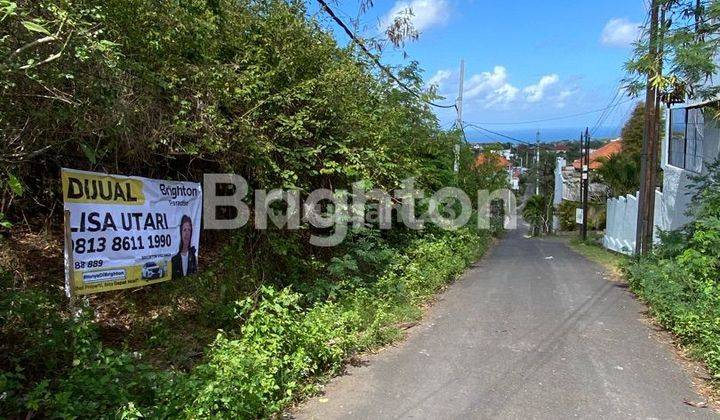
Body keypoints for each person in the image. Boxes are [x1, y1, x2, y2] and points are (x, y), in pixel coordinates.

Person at [171, 215, 197, 279]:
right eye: (184, 230)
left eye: (189, 230)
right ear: (180, 232)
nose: (187, 233)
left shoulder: (192, 255)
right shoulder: (174, 259)